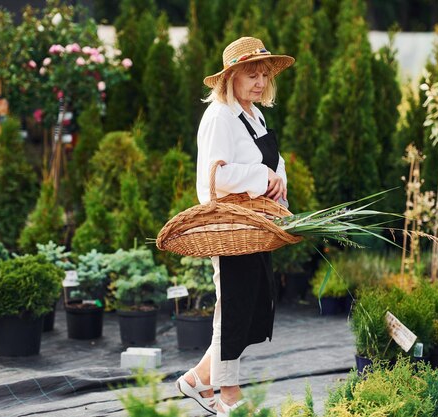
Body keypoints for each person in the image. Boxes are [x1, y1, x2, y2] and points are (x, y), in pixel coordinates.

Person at [174, 37, 295, 416]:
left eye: (263, 75)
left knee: (250, 307)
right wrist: (262, 176)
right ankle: (229, 397)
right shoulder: (219, 117)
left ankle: (195, 380)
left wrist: (279, 182)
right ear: (231, 78)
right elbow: (216, 176)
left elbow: (274, 164)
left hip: (256, 224)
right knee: (234, 309)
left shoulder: (255, 115)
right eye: (251, 75)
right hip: (230, 227)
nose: (259, 82)